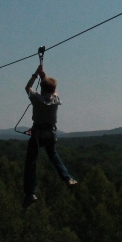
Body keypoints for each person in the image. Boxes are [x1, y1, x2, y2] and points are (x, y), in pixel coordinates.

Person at [23, 64, 77, 208]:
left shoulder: (36, 98)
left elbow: (27, 87)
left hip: (37, 134)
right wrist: (44, 78)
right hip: (50, 133)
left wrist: (36, 74)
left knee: (31, 163)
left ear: (42, 88)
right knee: (53, 155)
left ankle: (30, 193)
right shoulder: (56, 100)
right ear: (53, 90)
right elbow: (52, 90)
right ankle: (68, 178)